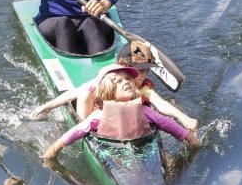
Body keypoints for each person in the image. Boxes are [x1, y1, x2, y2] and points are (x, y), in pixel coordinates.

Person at [30, 41, 198, 130]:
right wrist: (49, 106)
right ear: (122, 66)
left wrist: (184, 118)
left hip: (123, 120)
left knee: (153, 112)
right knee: (85, 94)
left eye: (147, 70)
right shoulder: (110, 78)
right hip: (96, 117)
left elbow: (161, 103)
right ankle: (84, 128)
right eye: (139, 70)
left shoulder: (142, 86)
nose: (143, 75)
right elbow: (76, 92)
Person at [42, 65, 201, 160]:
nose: (126, 81)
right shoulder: (99, 116)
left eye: (128, 79)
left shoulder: (145, 111)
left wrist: (191, 139)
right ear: (109, 92)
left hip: (142, 148)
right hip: (113, 153)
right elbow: (76, 132)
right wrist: (54, 149)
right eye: (118, 81)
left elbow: (169, 125)